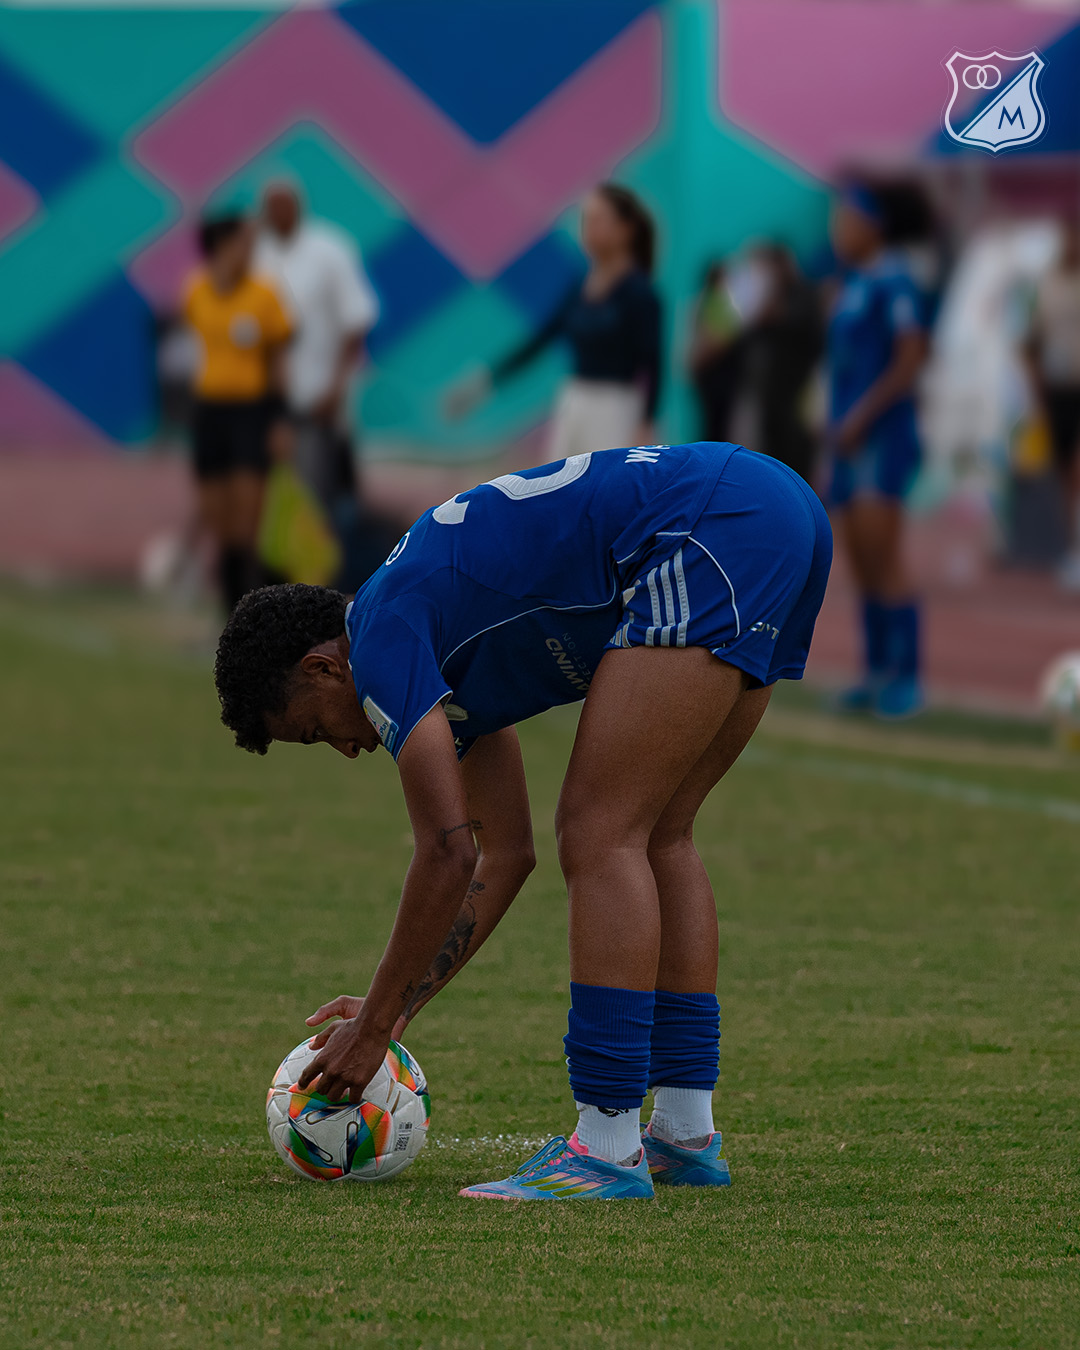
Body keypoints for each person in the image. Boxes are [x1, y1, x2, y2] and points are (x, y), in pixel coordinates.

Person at [213, 438, 832, 1200]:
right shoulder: (429, 634)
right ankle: (683, 1133)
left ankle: (605, 1146)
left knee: (600, 832)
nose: (346, 749)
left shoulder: (379, 638)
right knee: (660, 832)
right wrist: (396, 1006)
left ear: (322, 667)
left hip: (710, 524)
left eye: (316, 730)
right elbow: (502, 853)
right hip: (768, 507)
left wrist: (372, 1028)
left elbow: (445, 852)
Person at [447, 183, 661, 455]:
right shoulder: (580, 287)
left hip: (615, 408)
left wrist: (647, 421)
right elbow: (540, 339)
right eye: (585, 221)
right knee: (561, 477)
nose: (588, 229)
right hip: (575, 400)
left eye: (598, 220)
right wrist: (486, 381)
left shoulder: (640, 293)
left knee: (608, 479)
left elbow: (654, 362)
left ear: (625, 229)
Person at [826, 186, 928, 719]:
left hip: (880, 439)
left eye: (846, 219)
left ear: (874, 226)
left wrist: (862, 416)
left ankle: (907, 677)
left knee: (883, 553)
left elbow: (910, 359)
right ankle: (874, 671)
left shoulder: (895, 281)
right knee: (860, 558)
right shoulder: (852, 284)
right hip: (846, 439)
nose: (837, 230)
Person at [255, 181, 381, 588]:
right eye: (269, 206)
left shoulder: (329, 250)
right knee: (267, 508)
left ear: (298, 206)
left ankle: (317, 592)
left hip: (317, 404)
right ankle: (271, 591)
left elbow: (355, 323)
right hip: (266, 405)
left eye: (283, 205)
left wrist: (337, 388)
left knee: (313, 501)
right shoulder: (257, 254)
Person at [181, 213, 293, 613]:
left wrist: (280, 419)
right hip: (210, 411)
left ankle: (262, 611)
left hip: (251, 412)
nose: (250, 251)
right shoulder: (196, 291)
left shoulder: (264, 294)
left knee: (249, 523)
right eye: (243, 243)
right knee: (221, 523)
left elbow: (278, 362)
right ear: (221, 246)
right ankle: (228, 617)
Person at [1025, 220, 1080, 591]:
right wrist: (1036, 388)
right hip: (1057, 389)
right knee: (1063, 475)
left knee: (1077, 468)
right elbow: (1031, 340)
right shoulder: (1046, 283)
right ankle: (1072, 549)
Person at [740, 244, 823, 483]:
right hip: (768, 396)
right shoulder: (763, 298)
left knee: (798, 460)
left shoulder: (804, 295)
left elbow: (808, 333)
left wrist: (771, 311)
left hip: (799, 394)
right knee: (771, 461)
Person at [688, 261, 744, 443]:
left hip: (711, 374)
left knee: (712, 424)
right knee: (717, 426)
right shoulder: (718, 302)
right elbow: (718, 338)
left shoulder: (703, 301)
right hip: (716, 375)